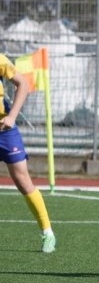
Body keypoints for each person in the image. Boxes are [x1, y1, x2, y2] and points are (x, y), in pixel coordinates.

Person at [0, 53, 56, 252]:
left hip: (5, 130)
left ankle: (47, 233)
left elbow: (22, 84)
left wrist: (12, 116)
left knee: (23, 181)